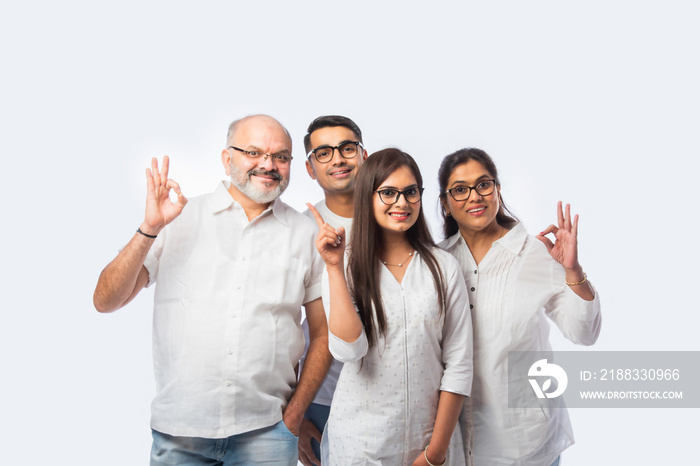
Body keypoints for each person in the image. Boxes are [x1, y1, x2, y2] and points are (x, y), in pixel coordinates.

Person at [93, 114, 331, 466]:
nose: (268, 164)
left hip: (267, 433)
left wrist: (292, 419)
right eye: (254, 152)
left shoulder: (305, 232)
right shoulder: (178, 219)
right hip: (180, 435)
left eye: (281, 156)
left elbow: (323, 333)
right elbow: (105, 301)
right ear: (226, 158)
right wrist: (149, 228)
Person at [437, 148, 602, 466]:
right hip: (456, 444)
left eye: (484, 184)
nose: (475, 196)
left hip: (526, 444)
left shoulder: (535, 253)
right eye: (460, 189)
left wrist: (573, 272)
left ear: (497, 189)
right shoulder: (437, 262)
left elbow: (584, 334)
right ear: (445, 203)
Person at [309, 148, 473, 466]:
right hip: (362, 446)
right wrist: (333, 267)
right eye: (388, 192)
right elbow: (347, 349)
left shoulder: (444, 267)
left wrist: (435, 454)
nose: (402, 202)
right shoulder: (344, 265)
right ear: (367, 197)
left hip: (430, 444)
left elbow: (458, 364)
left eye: (410, 192)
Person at [297, 115, 368, 466]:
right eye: (323, 153)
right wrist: (296, 418)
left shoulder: (397, 214)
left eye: (346, 148)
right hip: (323, 401)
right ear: (310, 169)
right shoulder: (298, 230)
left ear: (363, 155)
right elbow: (279, 328)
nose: (338, 159)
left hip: (391, 392)